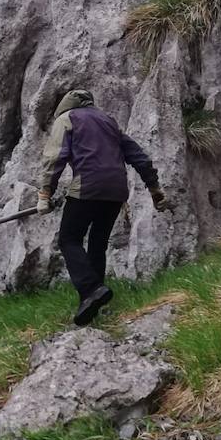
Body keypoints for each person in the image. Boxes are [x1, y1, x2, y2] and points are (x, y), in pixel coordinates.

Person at [36, 89, 167, 325]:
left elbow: (54, 158)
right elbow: (137, 155)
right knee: (97, 244)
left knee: (69, 239)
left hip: (87, 187)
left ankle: (91, 289)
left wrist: (45, 193)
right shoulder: (109, 122)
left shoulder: (66, 119)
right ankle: (92, 305)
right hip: (116, 192)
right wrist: (154, 188)